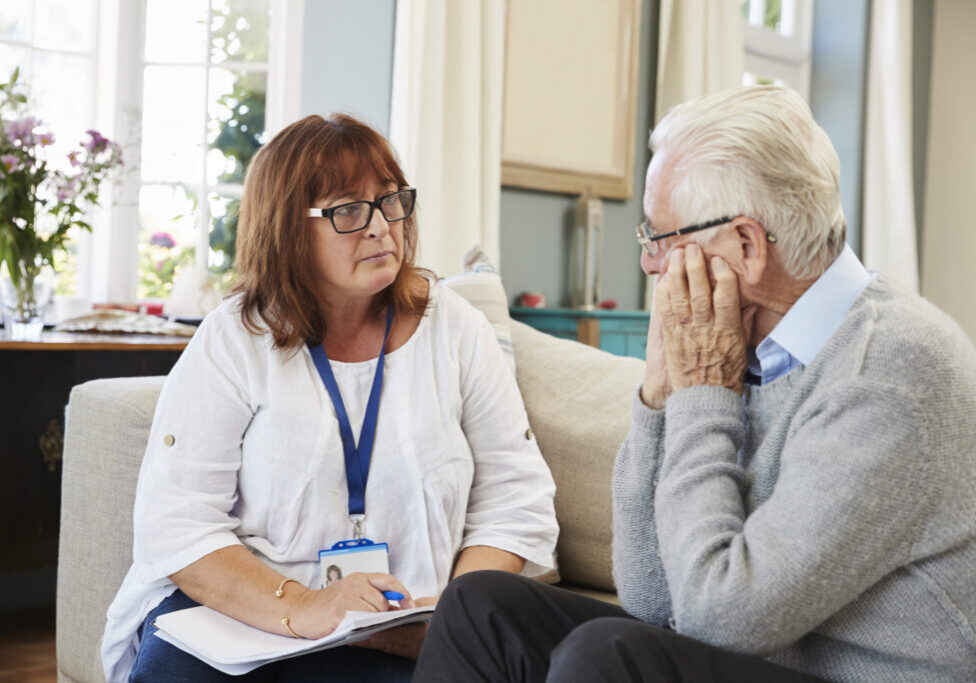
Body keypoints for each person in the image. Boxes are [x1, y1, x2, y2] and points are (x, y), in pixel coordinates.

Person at [413, 85, 976, 682]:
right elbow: (652, 596)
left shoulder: (887, 375)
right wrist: (658, 399)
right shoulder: (754, 344)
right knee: (482, 606)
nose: (649, 264)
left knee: (605, 656)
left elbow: (721, 618)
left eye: (659, 237)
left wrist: (704, 392)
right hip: (759, 656)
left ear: (746, 245)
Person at [101, 113, 558, 682]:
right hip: (244, 618)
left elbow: (515, 502)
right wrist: (302, 606)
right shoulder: (233, 339)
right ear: (285, 229)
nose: (380, 227)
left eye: (390, 201)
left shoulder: (455, 329)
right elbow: (177, 523)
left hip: (406, 628)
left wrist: (453, 625)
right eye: (347, 210)